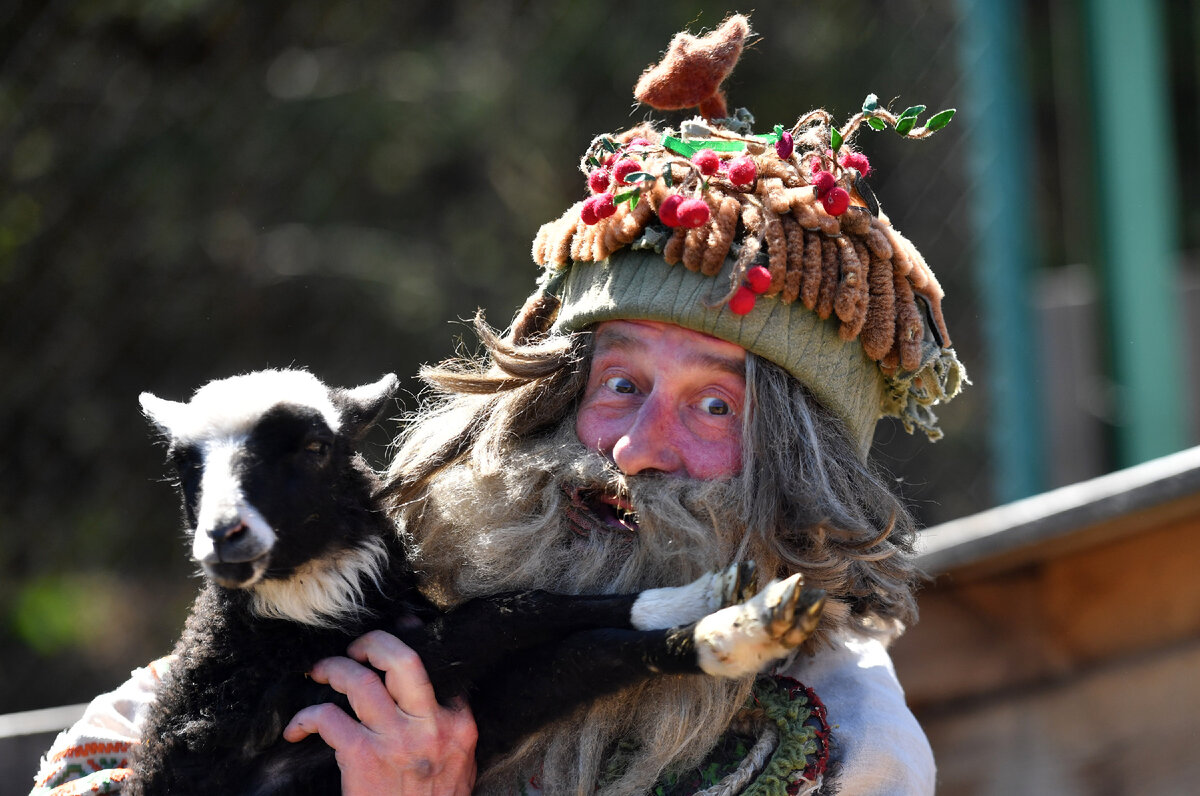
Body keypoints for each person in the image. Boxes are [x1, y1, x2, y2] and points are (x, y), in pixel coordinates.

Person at [31, 14, 964, 796]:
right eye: (622, 385)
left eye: (715, 407)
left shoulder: (847, 747)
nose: (638, 449)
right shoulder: (402, 579)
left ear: (799, 477)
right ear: (555, 400)